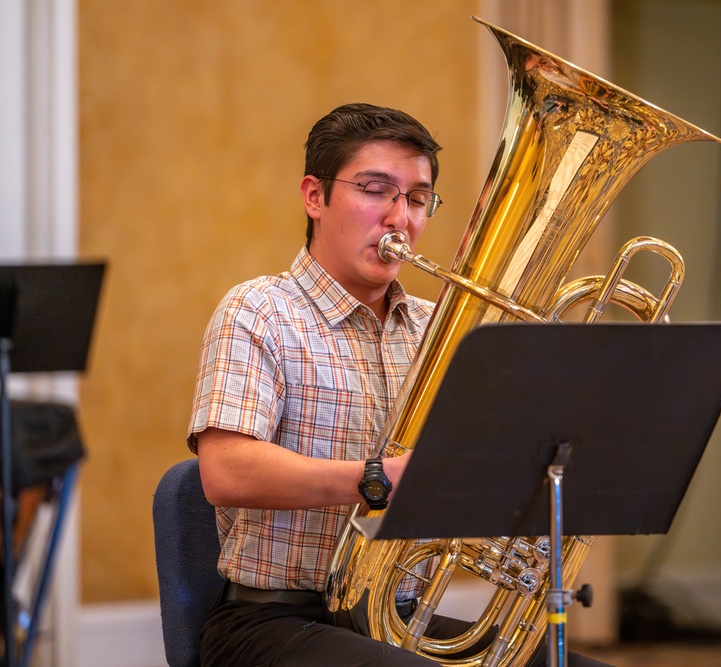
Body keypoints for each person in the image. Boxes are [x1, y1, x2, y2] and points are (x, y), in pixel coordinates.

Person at [187, 103, 613, 666]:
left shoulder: (441, 327)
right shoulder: (259, 311)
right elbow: (226, 472)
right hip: (275, 618)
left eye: (417, 199)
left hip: (396, 618)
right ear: (314, 196)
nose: (400, 218)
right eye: (375, 190)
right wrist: (380, 480)